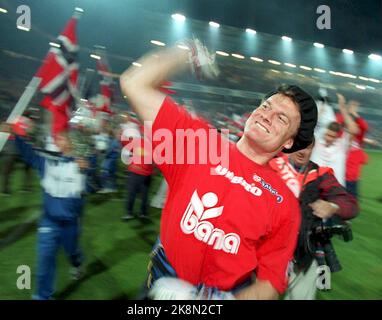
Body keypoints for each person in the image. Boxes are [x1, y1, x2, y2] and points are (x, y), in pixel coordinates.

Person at [120, 40, 318, 300]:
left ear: (289, 141)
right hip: (158, 287)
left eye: (281, 118)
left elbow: (272, 282)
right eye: (266, 106)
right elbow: (134, 83)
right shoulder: (199, 143)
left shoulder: (284, 203)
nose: (266, 115)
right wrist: (187, 52)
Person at [1, 122, 88, 300]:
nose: (57, 140)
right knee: (45, 259)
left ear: (71, 142)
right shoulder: (47, 161)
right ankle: (42, 295)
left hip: (71, 222)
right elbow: (29, 153)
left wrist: (87, 170)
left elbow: (95, 185)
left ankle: (77, 261)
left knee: (71, 251)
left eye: (62, 138)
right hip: (49, 221)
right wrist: (15, 135)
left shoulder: (82, 164)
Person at [269, 140, 358, 299]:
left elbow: (350, 206)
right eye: (299, 145)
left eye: (308, 147)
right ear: (290, 145)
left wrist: (332, 206)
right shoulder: (270, 165)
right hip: (268, 252)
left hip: (305, 254)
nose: (302, 151)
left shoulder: (320, 174)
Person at [310, 94, 359, 187]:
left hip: (335, 190)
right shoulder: (316, 142)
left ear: (337, 136)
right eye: (327, 135)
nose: (329, 138)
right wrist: (319, 113)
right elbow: (309, 127)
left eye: (332, 136)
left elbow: (354, 130)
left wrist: (343, 109)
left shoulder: (341, 145)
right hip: (315, 187)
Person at [121, 134, 154, 221]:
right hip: (136, 173)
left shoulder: (153, 145)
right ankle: (131, 213)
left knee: (143, 196)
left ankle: (140, 213)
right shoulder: (137, 142)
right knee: (134, 194)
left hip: (144, 174)